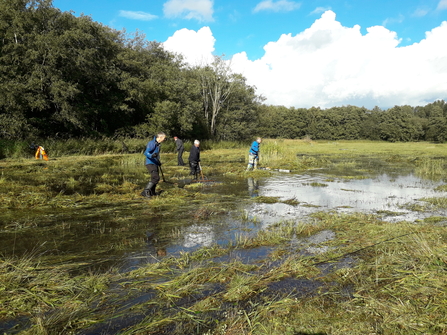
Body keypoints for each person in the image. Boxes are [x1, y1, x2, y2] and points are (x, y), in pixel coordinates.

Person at [141, 132, 166, 198]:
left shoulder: (158, 144)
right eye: (164, 138)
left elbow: (156, 155)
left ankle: (152, 192)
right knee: (156, 177)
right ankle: (145, 191)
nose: (164, 139)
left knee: (154, 178)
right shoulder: (152, 143)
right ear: (160, 137)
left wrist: (158, 162)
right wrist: (151, 155)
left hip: (155, 163)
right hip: (150, 163)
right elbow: (146, 153)